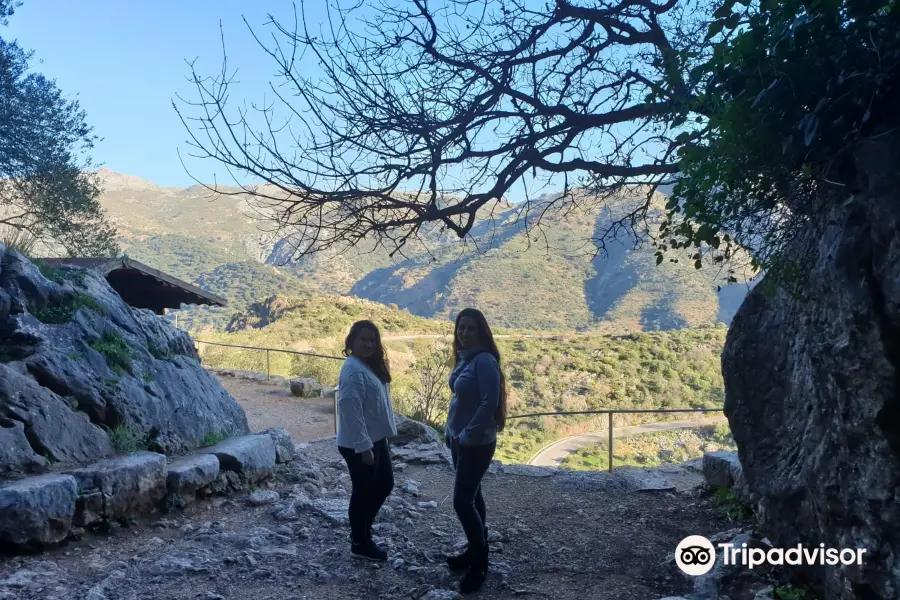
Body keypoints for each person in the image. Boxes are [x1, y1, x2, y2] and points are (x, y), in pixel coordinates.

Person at [444, 308, 507, 593]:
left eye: (471, 328)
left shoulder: (484, 361)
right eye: (461, 328)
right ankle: (473, 551)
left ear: (482, 331)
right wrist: (451, 432)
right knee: (473, 496)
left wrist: (467, 434)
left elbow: (489, 403)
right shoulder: (464, 359)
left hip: (477, 442)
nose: (464, 333)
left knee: (461, 501)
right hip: (460, 440)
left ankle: (480, 563)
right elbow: (460, 400)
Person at [336, 320, 398, 561]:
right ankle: (361, 541)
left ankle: (361, 532)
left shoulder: (367, 365)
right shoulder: (353, 369)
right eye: (364, 339)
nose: (369, 344)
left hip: (374, 438)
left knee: (383, 485)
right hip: (359, 443)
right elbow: (350, 409)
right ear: (352, 341)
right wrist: (364, 447)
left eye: (373, 340)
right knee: (364, 491)